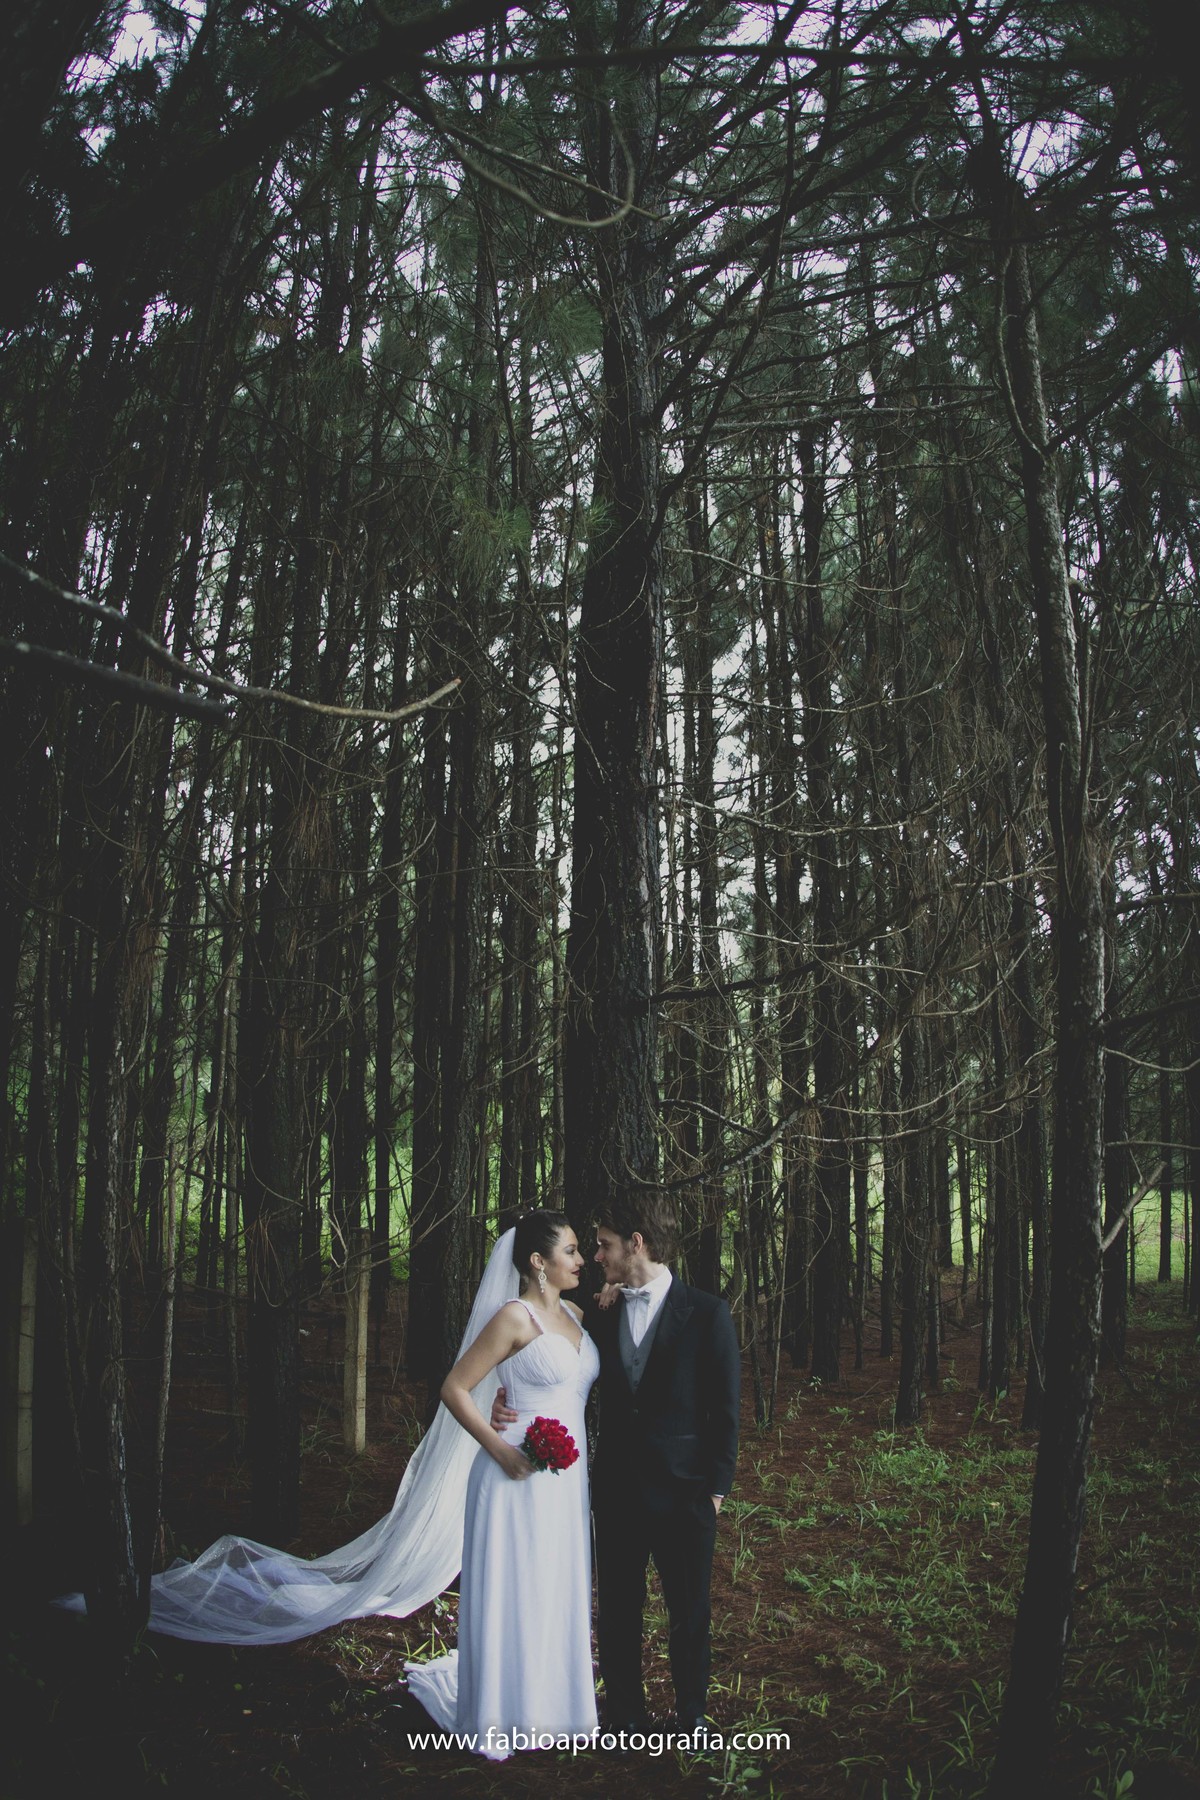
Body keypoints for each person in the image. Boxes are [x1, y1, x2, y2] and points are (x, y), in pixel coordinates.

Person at [493, 1193, 739, 1737]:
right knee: (619, 1615)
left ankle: (692, 1719)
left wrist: (716, 1490)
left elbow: (726, 1412)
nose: (596, 1257)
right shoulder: (599, 1314)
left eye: (603, 1245)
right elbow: (542, 1351)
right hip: (616, 1492)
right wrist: (500, 1395)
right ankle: (626, 1720)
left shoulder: (706, 1313)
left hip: (686, 1495)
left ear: (637, 1244)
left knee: (689, 1615)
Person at [404, 1212, 600, 1758]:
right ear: (538, 1262)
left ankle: (554, 1706)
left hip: (565, 1480)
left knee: (554, 1585)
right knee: (517, 1584)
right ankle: (501, 1710)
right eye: (571, 1250)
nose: (580, 1259)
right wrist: (502, 1451)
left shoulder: (577, 1314)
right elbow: (455, 1388)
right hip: (512, 1473)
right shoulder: (513, 1318)